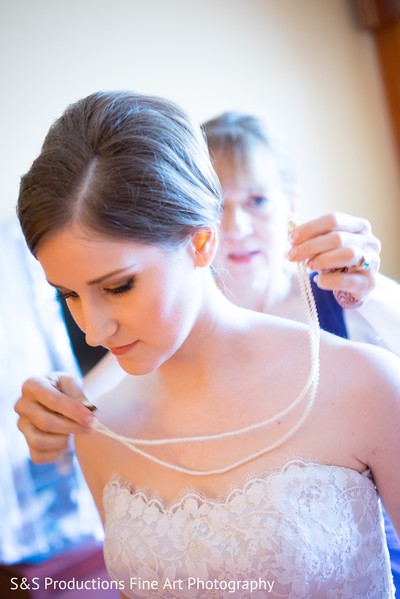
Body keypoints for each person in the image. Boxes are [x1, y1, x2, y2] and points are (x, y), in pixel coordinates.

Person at [14, 90, 400, 598]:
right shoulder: (102, 428)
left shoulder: (362, 379)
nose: (92, 330)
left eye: (118, 286)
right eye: (68, 294)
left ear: (200, 241)